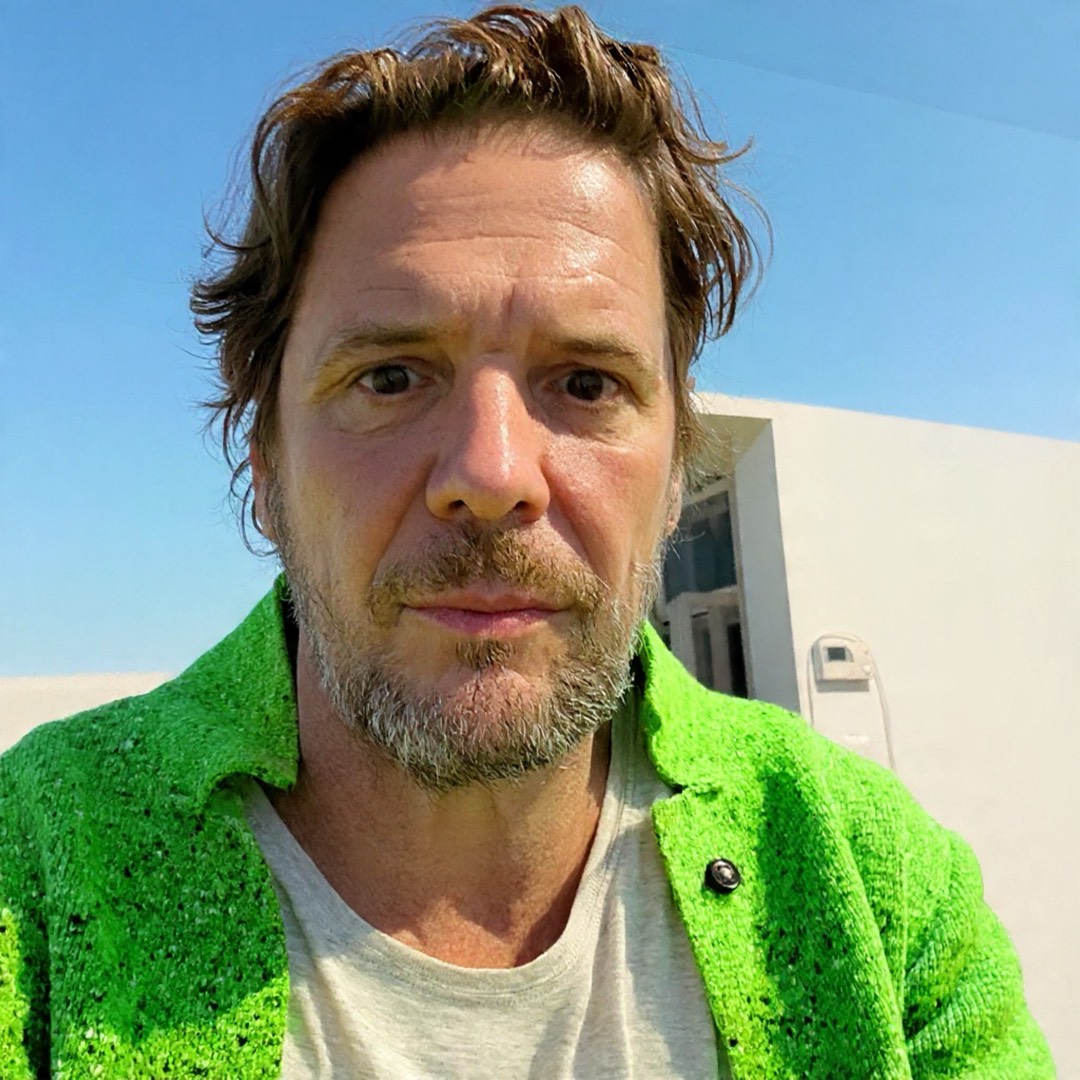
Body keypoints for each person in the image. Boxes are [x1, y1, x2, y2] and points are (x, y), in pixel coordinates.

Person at [0, 6, 1053, 1078]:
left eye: (586, 383)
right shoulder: (31, 872)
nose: (493, 474)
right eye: (390, 377)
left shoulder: (879, 880)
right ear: (264, 462)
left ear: (676, 471)